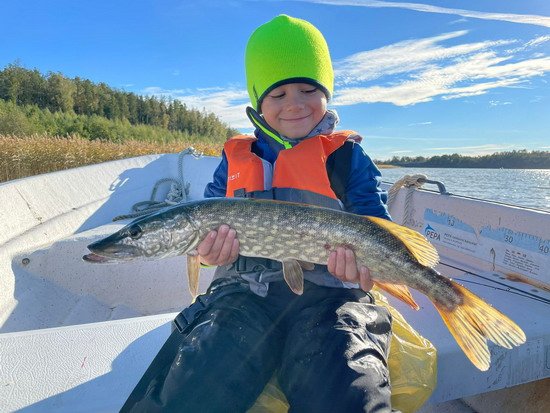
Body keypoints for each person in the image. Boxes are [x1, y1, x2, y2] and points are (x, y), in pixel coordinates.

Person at [122, 15, 396, 413]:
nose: (295, 104)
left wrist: (363, 267)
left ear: (327, 94)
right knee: (193, 383)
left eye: (308, 89)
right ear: (257, 102)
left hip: (333, 297)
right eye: (278, 94)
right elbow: (207, 224)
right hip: (245, 294)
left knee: (346, 389)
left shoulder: (347, 158)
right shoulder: (234, 158)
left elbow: (377, 225)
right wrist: (209, 253)